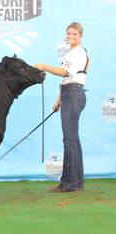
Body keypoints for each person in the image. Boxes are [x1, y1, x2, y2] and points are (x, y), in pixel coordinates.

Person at [34, 22, 88, 193]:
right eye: (68, 34)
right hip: (71, 94)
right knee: (74, 141)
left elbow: (64, 73)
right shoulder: (74, 52)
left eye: (74, 34)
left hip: (73, 95)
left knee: (70, 141)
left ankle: (68, 184)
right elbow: (69, 79)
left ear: (80, 36)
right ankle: (77, 182)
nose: (70, 37)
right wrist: (59, 100)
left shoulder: (77, 52)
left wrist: (43, 66)